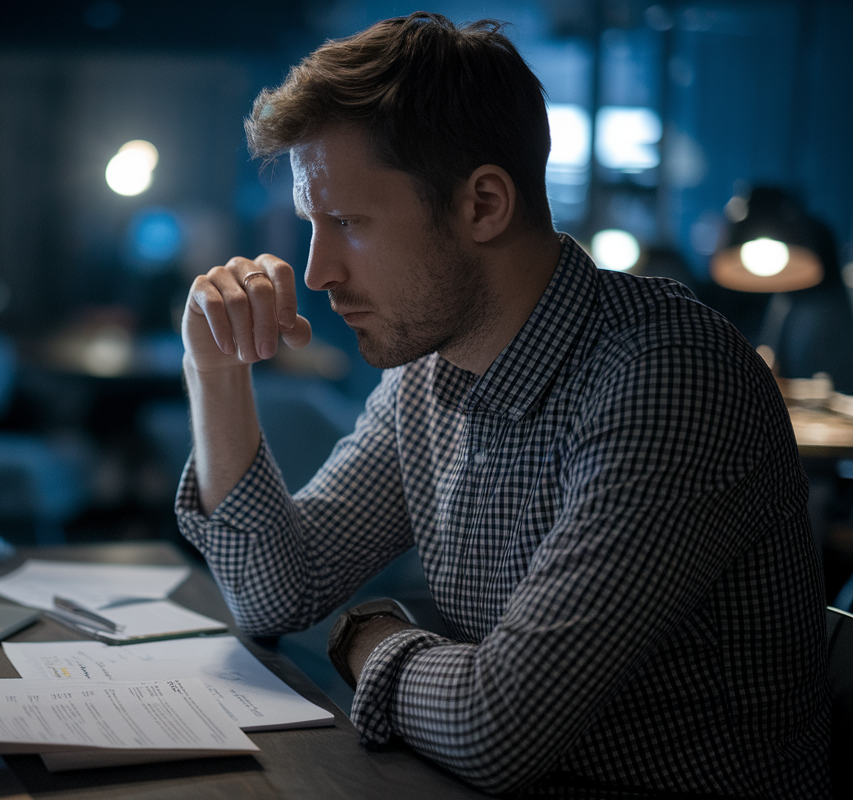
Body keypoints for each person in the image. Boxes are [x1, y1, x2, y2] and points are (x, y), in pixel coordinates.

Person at [174, 12, 829, 798]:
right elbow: (276, 591)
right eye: (315, 225)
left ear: (483, 204)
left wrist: (363, 637)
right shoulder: (431, 376)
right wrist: (213, 368)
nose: (317, 272)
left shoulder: (667, 374)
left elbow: (496, 725)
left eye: (347, 223)